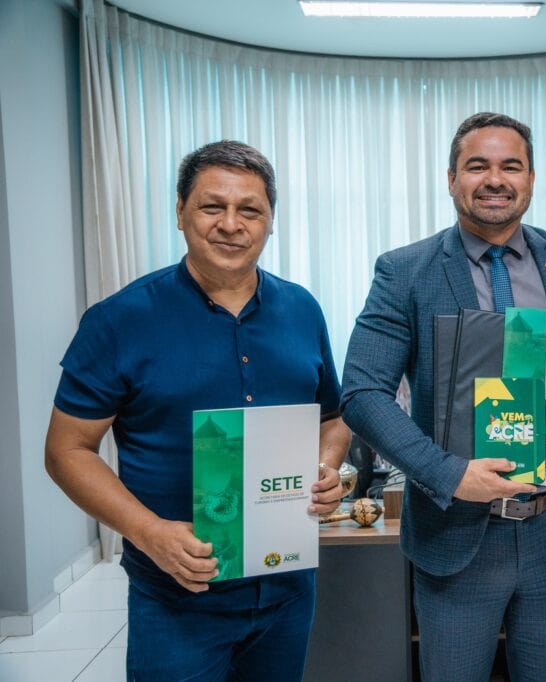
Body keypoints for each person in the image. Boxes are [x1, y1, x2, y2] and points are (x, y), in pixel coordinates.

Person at [45, 140, 352, 681]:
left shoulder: (303, 309)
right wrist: (149, 532)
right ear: (181, 211)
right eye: (213, 206)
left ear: (270, 221)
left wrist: (328, 466)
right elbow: (66, 450)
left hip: (287, 587)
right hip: (176, 596)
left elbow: (332, 416)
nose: (231, 224)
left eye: (249, 209)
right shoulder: (118, 320)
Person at [340, 112, 546, 681]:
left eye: (510, 165)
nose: (495, 179)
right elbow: (362, 393)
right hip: (456, 534)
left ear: (531, 179)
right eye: (478, 166)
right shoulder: (405, 270)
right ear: (451, 179)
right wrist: (447, 473)